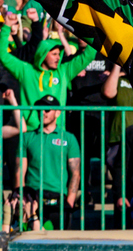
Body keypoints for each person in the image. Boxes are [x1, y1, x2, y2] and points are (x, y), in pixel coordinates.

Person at [12, 96, 83, 228]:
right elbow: (19, 171)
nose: (43, 112)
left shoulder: (69, 138)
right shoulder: (27, 137)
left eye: (47, 109)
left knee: (59, 244)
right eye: (40, 109)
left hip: (59, 198)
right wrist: (22, 197)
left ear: (57, 112)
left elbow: (75, 173)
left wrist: (70, 201)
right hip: (33, 197)